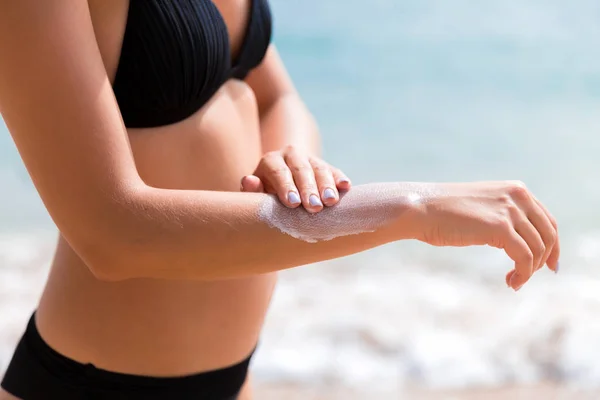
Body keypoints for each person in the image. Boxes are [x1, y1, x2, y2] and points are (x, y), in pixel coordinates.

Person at [0, 1, 560, 399]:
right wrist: (412, 207)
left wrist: (292, 158)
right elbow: (112, 231)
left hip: (234, 377)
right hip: (89, 386)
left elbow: (275, 96)